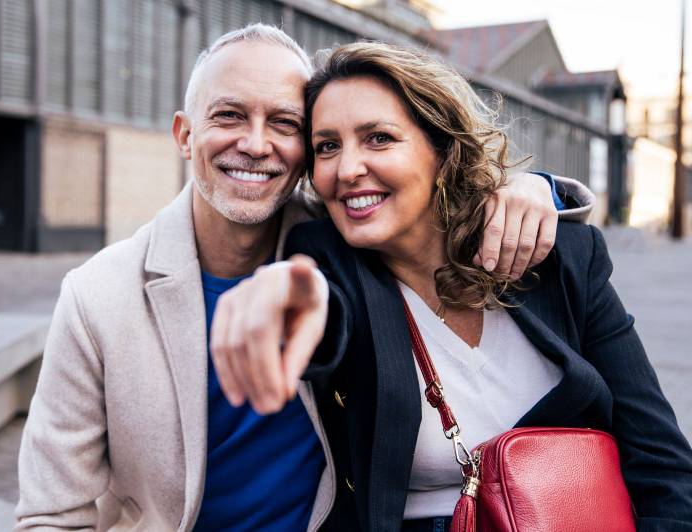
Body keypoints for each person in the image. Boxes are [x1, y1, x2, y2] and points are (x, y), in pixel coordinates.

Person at [15, 25, 592, 531]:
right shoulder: (97, 296)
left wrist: (534, 187)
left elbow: (427, 199)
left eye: (284, 123)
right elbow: (51, 514)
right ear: (184, 134)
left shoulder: (342, 240)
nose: (256, 143)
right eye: (229, 115)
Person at [210, 42, 692, 531]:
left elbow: (661, 462)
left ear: (442, 150)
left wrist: (538, 186)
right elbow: (317, 303)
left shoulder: (561, 256)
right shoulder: (327, 257)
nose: (348, 169)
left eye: (378, 138)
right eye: (327, 146)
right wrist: (292, 297)